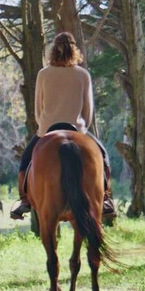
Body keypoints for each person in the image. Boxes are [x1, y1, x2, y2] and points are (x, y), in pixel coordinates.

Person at [10, 32, 116, 220]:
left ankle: (24, 200)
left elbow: (38, 107)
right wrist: (82, 128)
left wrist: (43, 126)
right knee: (103, 157)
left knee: (25, 161)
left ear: (53, 50)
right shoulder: (83, 75)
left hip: (47, 129)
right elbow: (88, 110)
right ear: (74, 49)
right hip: (76, 128)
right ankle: (106, 198)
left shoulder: (43, 74)